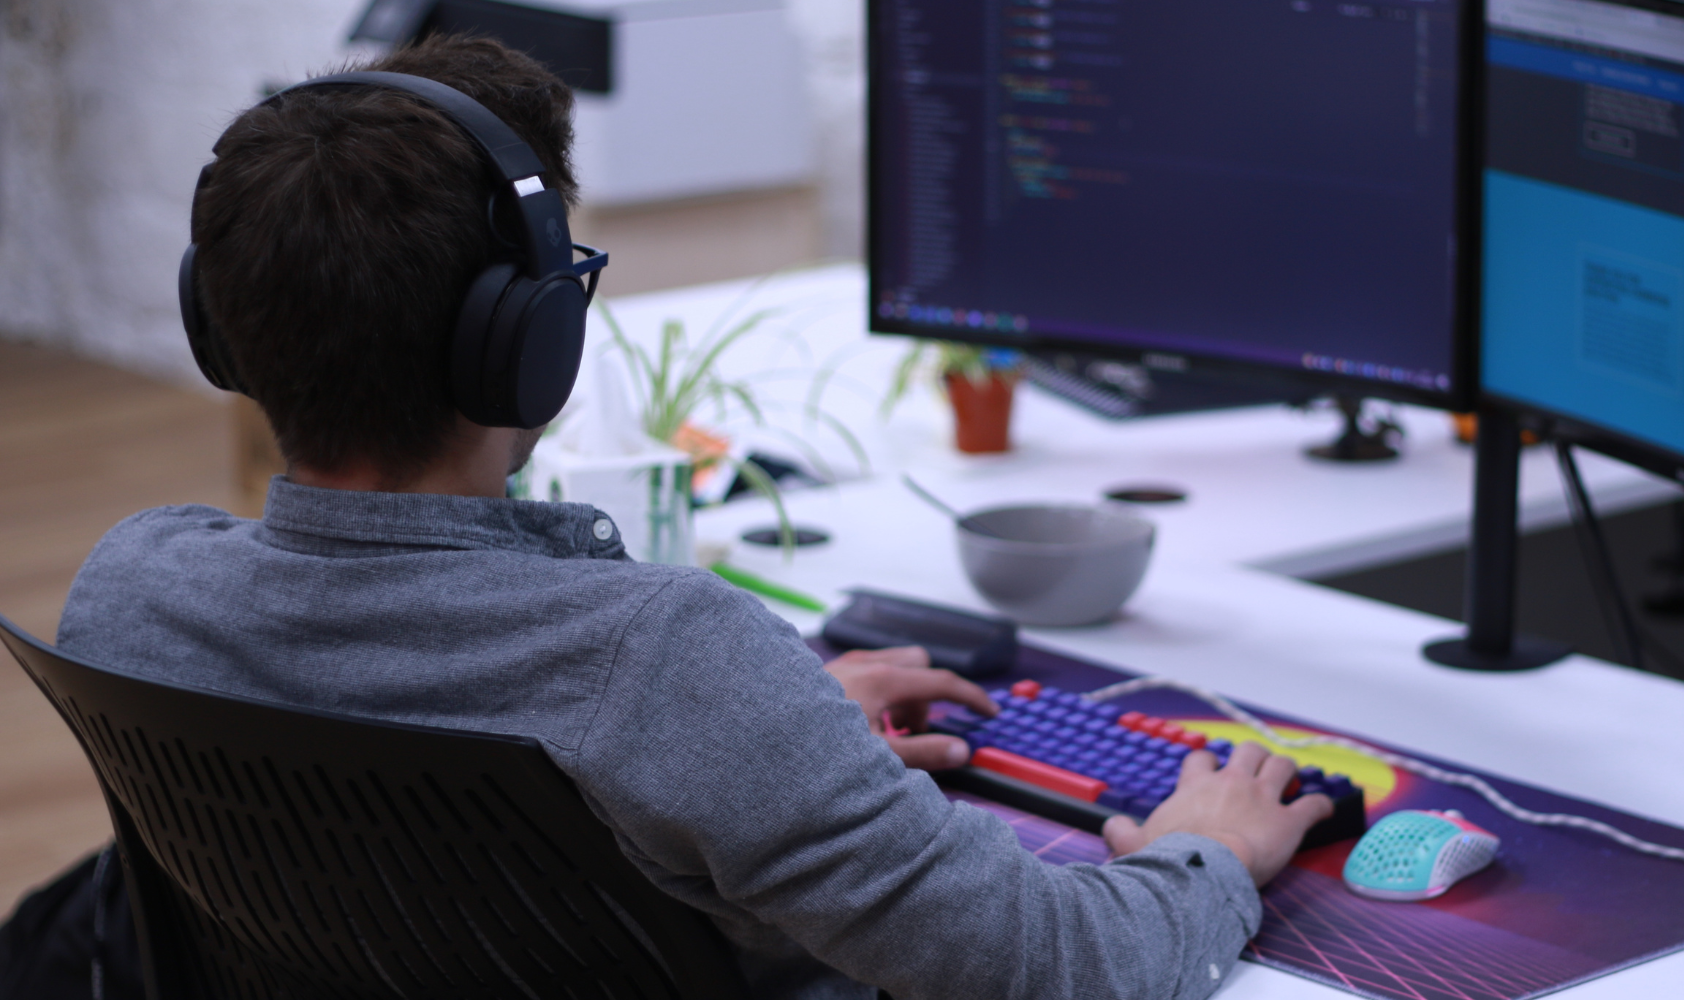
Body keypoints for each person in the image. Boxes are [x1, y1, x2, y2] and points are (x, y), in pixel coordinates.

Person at [54, 35, 1332, 1000]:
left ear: (220, 328)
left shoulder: (134, 591)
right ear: (531, 341)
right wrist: (1205, 852)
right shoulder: (660, 661)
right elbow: (1052, 964)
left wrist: (766, 752)